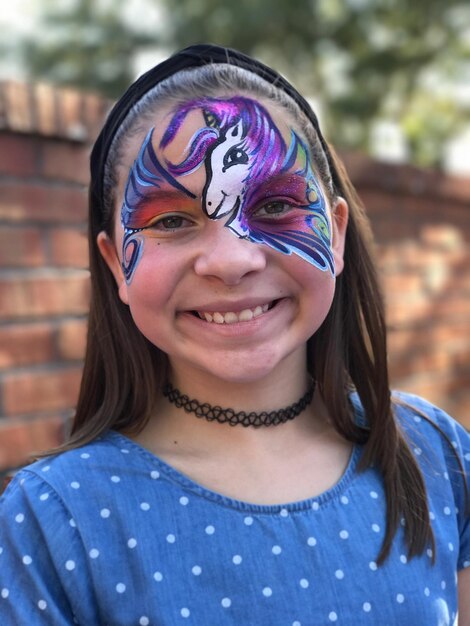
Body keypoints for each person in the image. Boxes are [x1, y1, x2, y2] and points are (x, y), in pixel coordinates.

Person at [0, 44, 468, 626]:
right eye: (172, 221)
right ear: (117, 264)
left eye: (274, 203)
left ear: (338, 233)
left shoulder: (436, 454)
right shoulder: (53, 519)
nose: (230, 261)